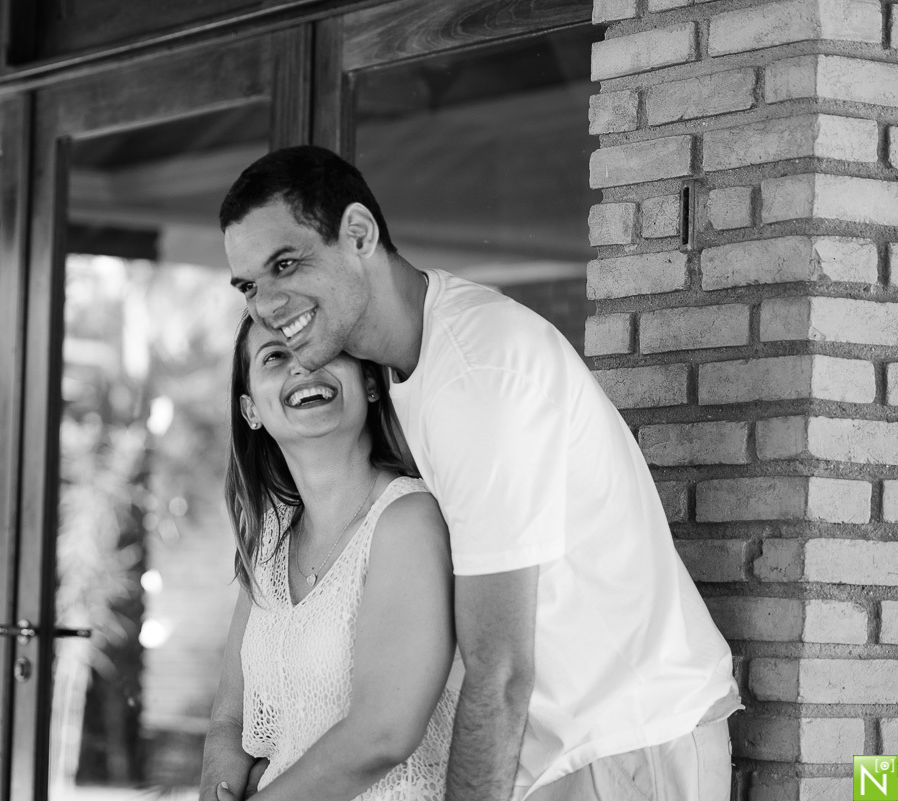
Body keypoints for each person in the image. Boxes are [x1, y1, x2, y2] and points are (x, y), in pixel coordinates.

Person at [218, 145, 741, 801]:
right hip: (556, 752)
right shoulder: (414, 365)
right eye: (248, 285)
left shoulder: (478, 374)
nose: (267, 304)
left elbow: (500, 672)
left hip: (626, 740)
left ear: (359, 234)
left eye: (285, 264)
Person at [199, 313, 460, 801]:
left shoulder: (407, 520)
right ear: (251, 410)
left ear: (370, 384)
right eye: (275, 356)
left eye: (322, 347)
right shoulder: (268, 539)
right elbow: (229, 721)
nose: (302, 365)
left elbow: (382, 735)